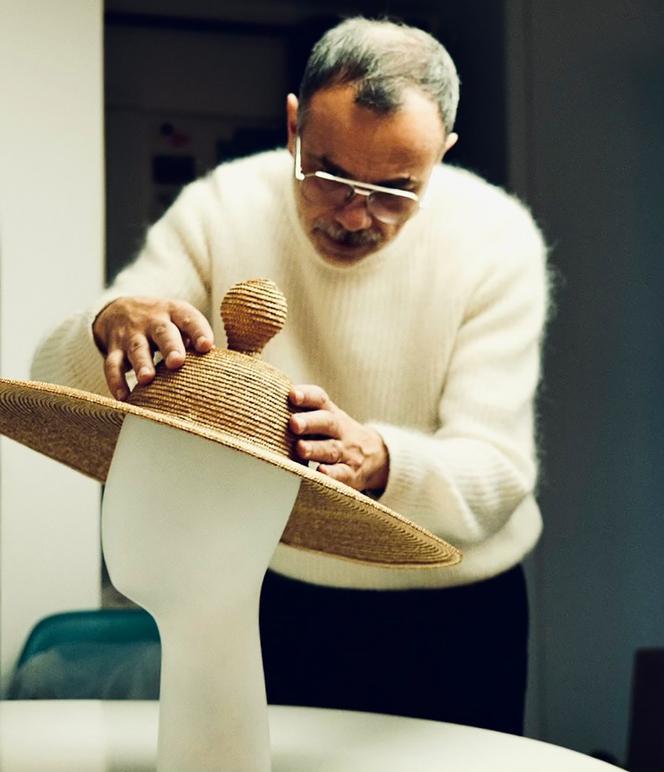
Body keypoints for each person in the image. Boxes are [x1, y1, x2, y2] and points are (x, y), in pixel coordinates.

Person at [32, 17, 548, 734]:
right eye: (330, 173)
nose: (354, 214)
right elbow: (59, 383)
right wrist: (111, 322)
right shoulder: (221, 207)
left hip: (456, 610)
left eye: (396, 189)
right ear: (293, 124)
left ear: (444, 155)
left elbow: (499, 471)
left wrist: (381, 461)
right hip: (274, 586)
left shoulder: (498, 238)